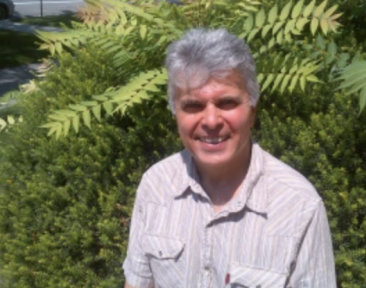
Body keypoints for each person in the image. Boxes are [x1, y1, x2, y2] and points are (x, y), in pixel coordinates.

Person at [123, 28, 336, 288]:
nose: (211, 121)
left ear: (253, 111)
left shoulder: (299, 206)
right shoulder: (155, 186)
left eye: (227, 103)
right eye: (193, 106)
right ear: (175, 113)